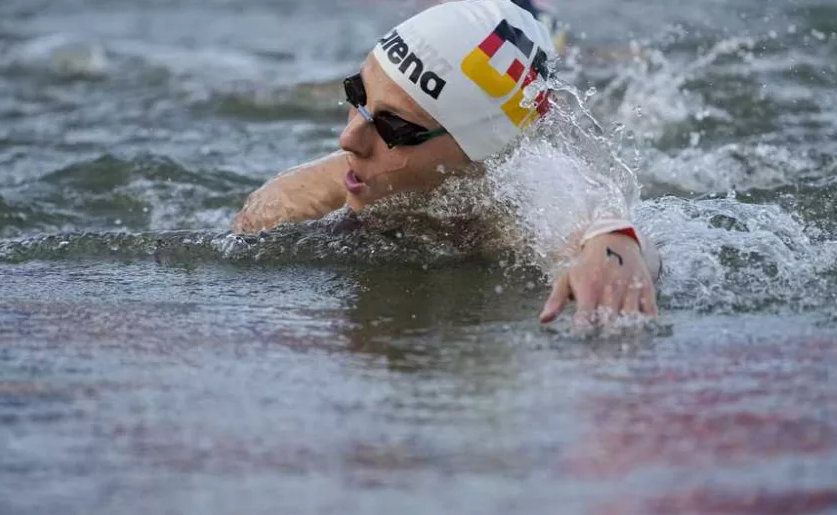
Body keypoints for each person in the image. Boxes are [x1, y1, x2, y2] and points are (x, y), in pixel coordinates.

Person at [231, 0, 662, 324]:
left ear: (478, 155)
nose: (348, 139)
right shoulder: (318, 187)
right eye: (356, 95)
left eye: (394, 127)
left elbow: (603, 229)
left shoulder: (518, 201)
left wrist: (617, 246)